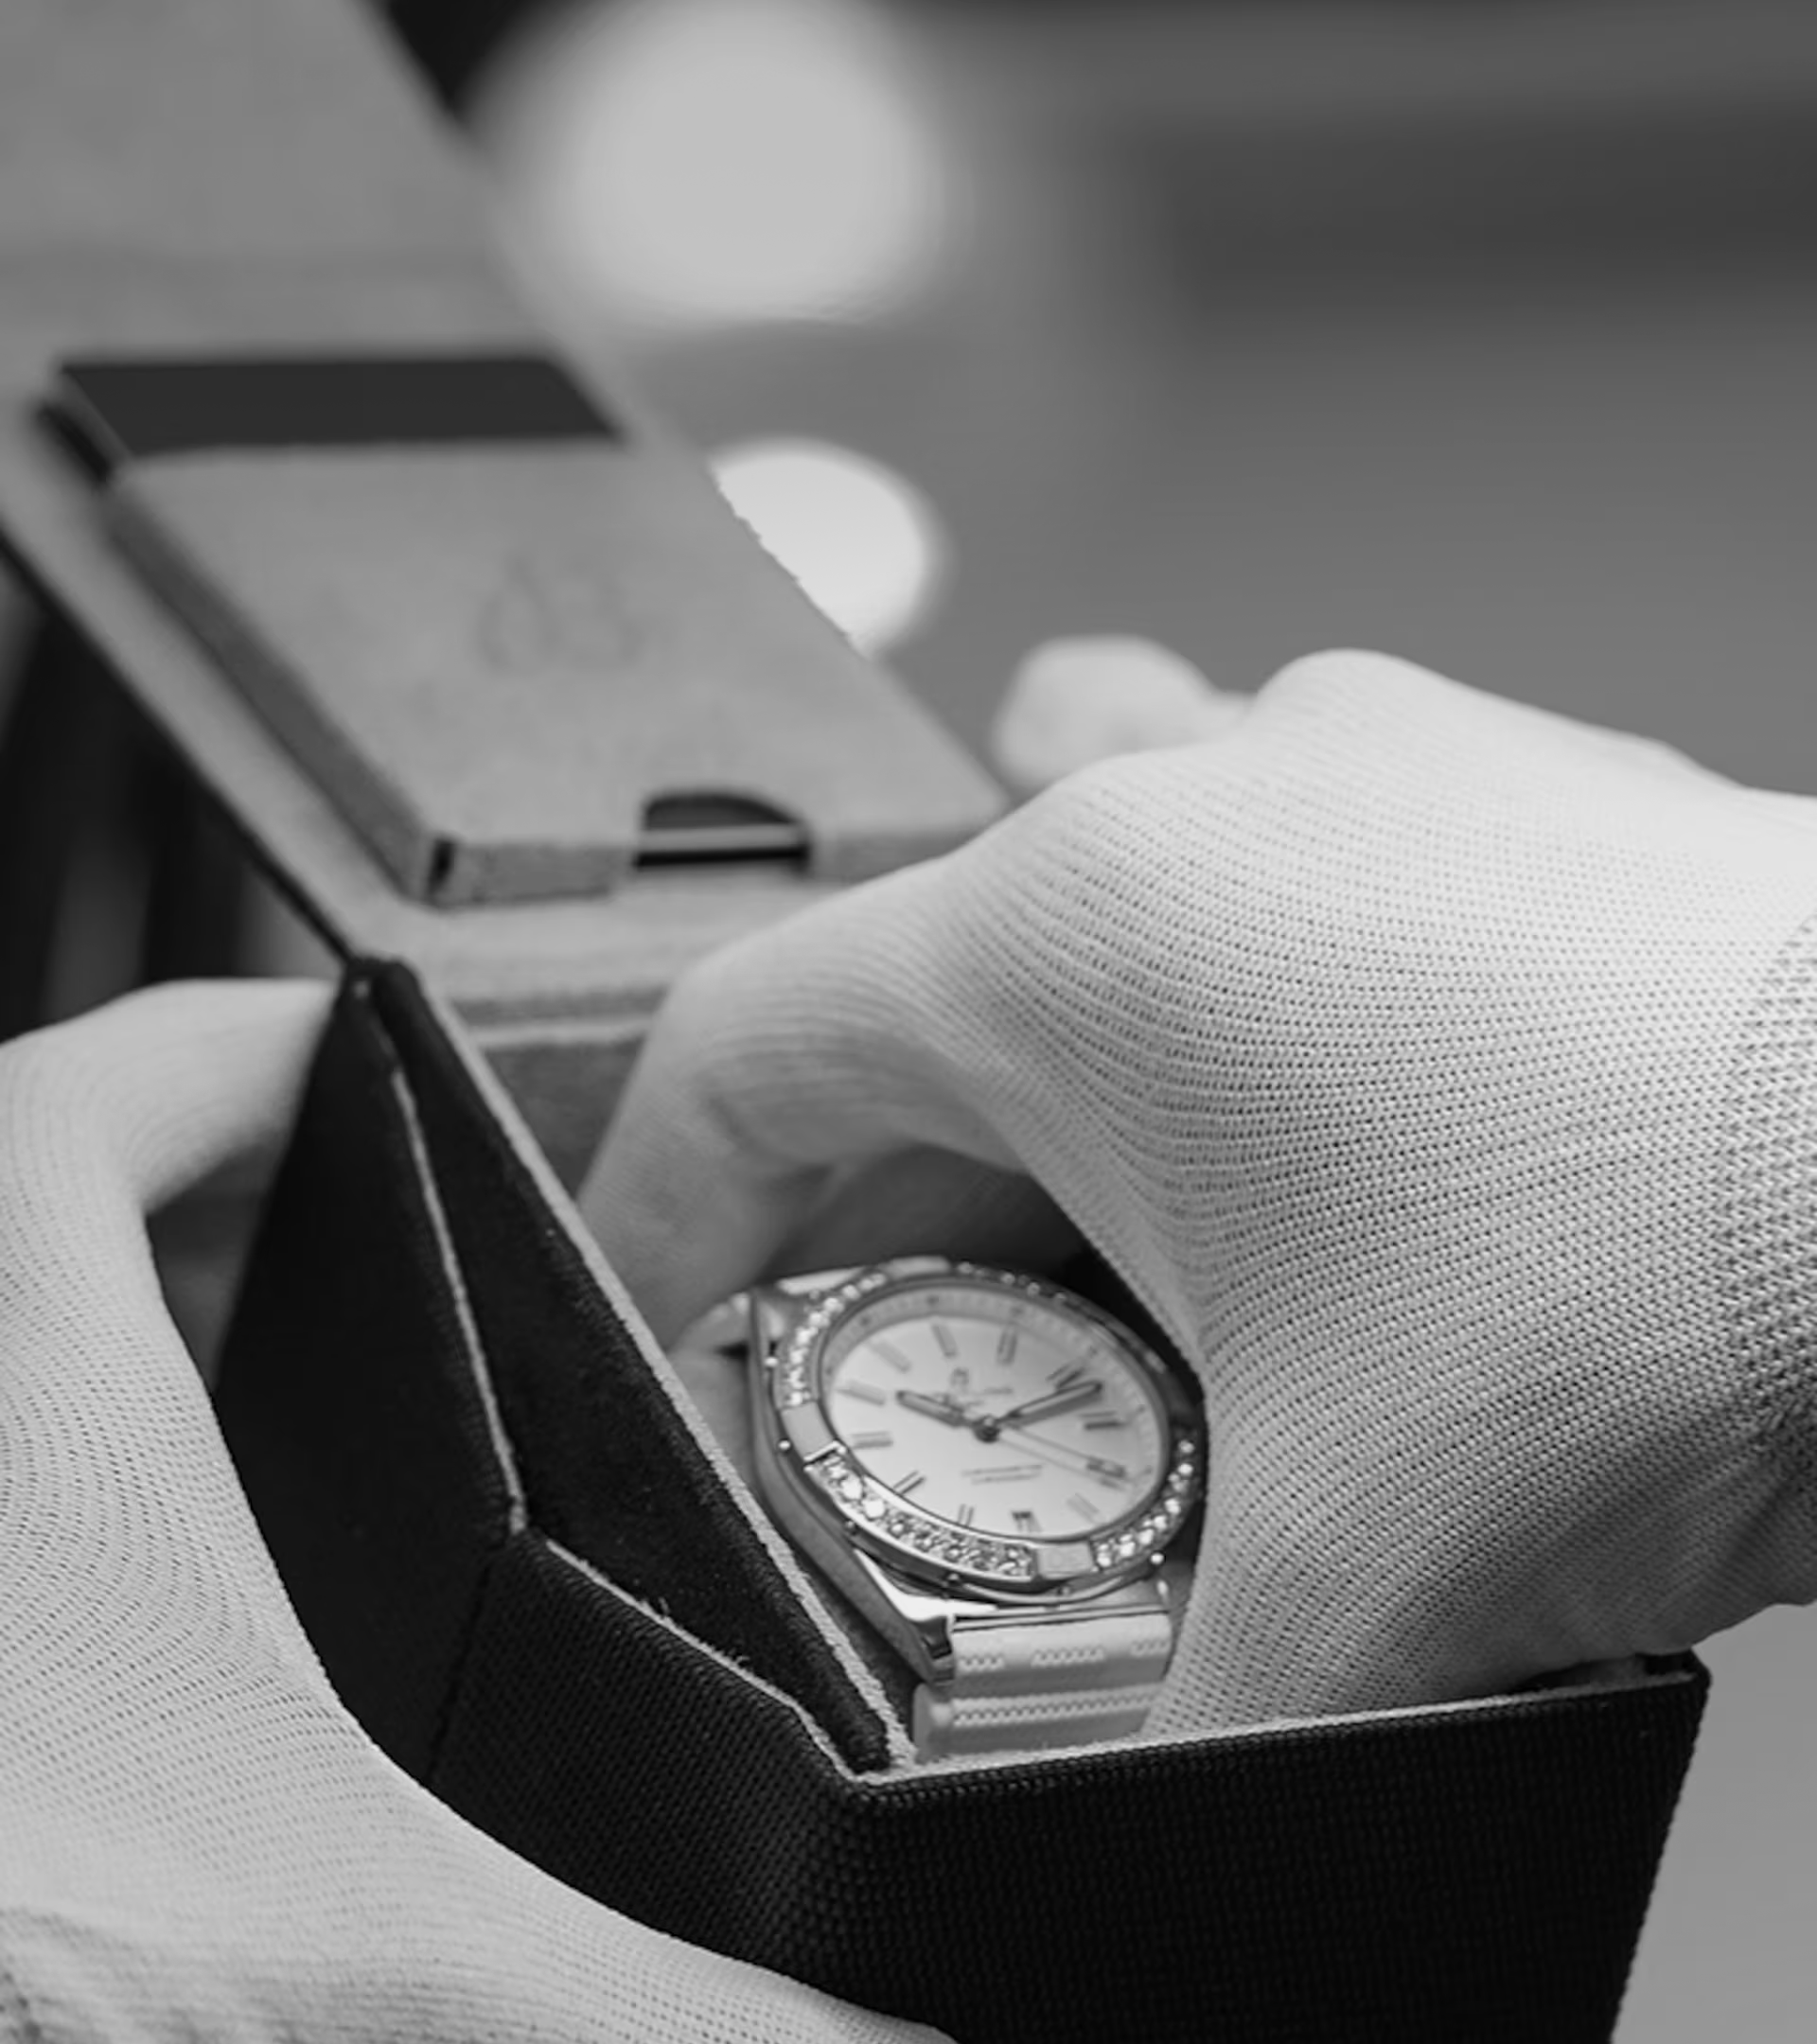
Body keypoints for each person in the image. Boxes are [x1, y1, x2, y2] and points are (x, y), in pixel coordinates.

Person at [4, 642, 1813, 2035]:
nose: (986, 1420)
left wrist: (1766, 1149)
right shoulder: (807, 1385)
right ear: (778, 1398)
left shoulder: (1001, 1400)